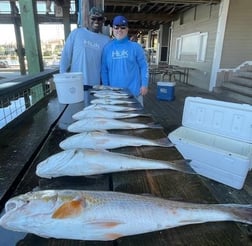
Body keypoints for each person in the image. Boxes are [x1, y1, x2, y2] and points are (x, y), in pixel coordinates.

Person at [59, 7, 110, 105]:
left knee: (94, 117)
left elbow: (108, 65)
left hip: (96, 88)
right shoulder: (76, 33)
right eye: (93, 18)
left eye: (100, 19)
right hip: (76, 86)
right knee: (76, 116)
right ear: (88, 19)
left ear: (103, 21)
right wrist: (63, 80)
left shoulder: (106, 40)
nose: (96, 21)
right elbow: (65, 56)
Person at [101, 15, 149, 106]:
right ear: (113, 29)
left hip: (134, 94)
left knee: (136, 120)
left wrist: (144, 84)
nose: (119, 30)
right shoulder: (107, 48)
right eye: (116, 27)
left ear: (127, 29)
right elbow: (104, 69)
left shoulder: (136, 47)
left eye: (123, 27)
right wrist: (106, 86)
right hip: (114, 95)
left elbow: (144, 66)